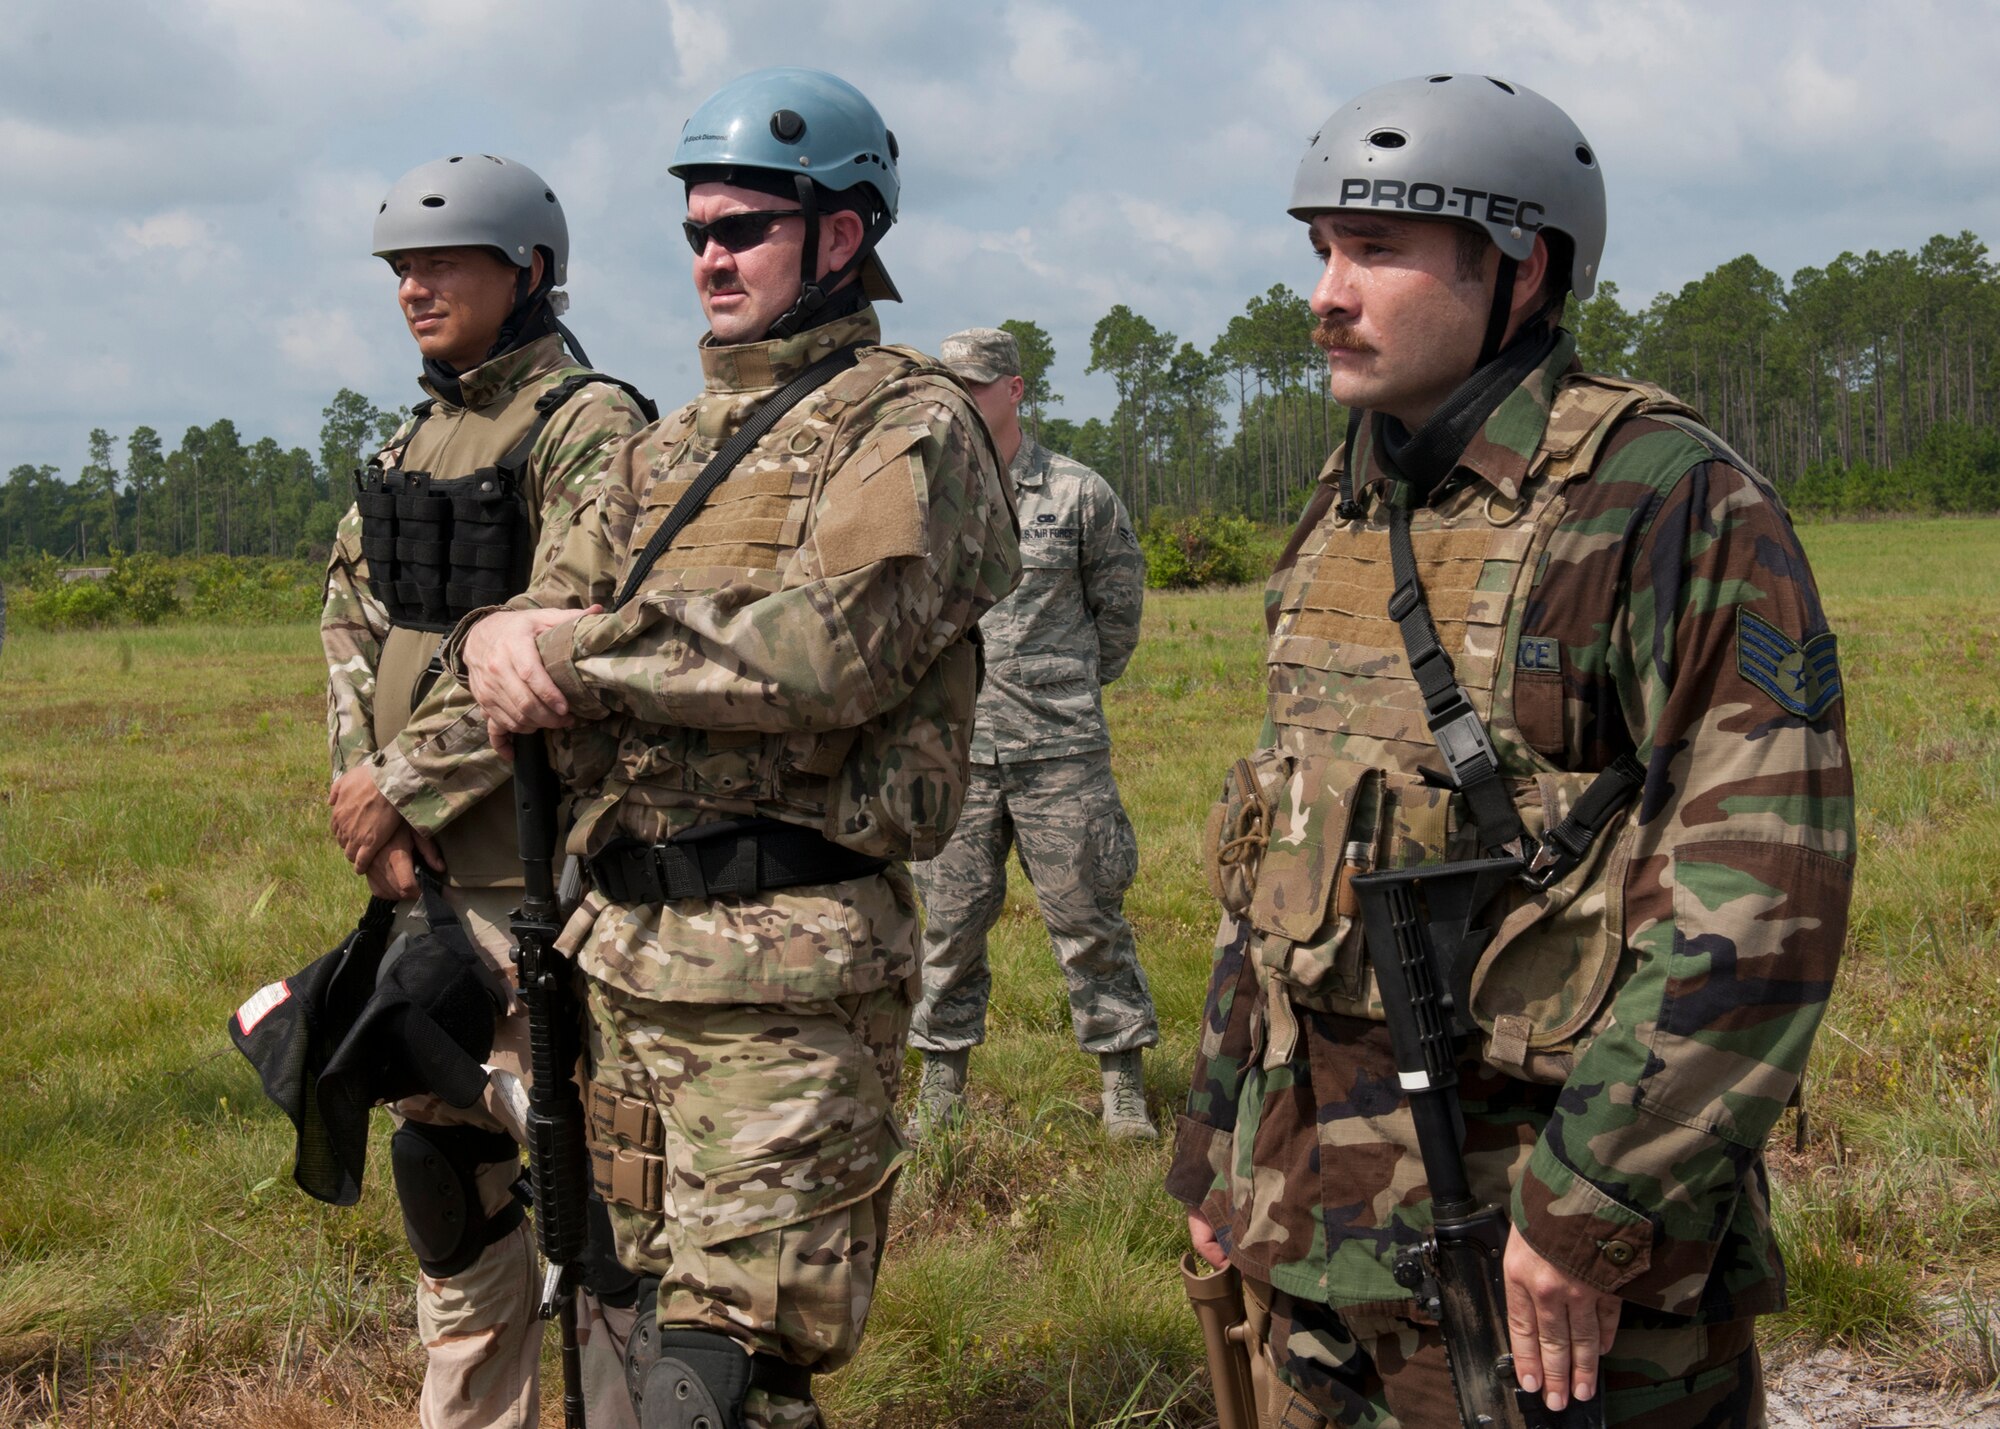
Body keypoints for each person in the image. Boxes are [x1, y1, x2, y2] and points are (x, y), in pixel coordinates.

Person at [1169, 75, 1853, 1428]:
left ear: (1520, 270)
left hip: (1541, 1279)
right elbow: (1285, 857)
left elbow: (1763, 903)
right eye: (1320, 248)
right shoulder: (1350, 495)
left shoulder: (1664, 501)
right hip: (1317, 1244)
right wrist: (1217, 1160)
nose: (1325, 292)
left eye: (1376, 251)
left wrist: (1593, 1209)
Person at [396, 69, 1018, 1429]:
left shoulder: (905, 427)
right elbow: (517, 623)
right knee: (616, 1330)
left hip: (784, 986)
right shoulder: (664, 450)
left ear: (844, 236)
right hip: (619, 966)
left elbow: (836, 649)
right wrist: (410, 773)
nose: (712, 259)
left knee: (719, 1385)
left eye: (744, 229)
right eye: (695, 234)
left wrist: (569, 655)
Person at [320, 153, 654, 1429]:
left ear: (526, 271)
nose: (414, 288)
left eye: (442, 264)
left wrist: (404, 780)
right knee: (445, 1175)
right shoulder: (409, 441)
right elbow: (349, 620)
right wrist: (367, 795)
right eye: (401, 268)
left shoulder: (587, 426)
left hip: (548, 883)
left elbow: (564, 625)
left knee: (603, 1193)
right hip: (423, 878)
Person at [908, 326, 1156, 1140]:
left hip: (1060, 752)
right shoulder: (925, 497)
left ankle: (1121, 1080)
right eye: (952, 386)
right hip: (958, 754)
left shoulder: (1079, 494)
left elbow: (1118, 611)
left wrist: (1065, 686)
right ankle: (940, 1084)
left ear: (1015, 389)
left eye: (976, 385)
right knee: (947, 926)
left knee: (1089, 920)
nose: (961, 400)